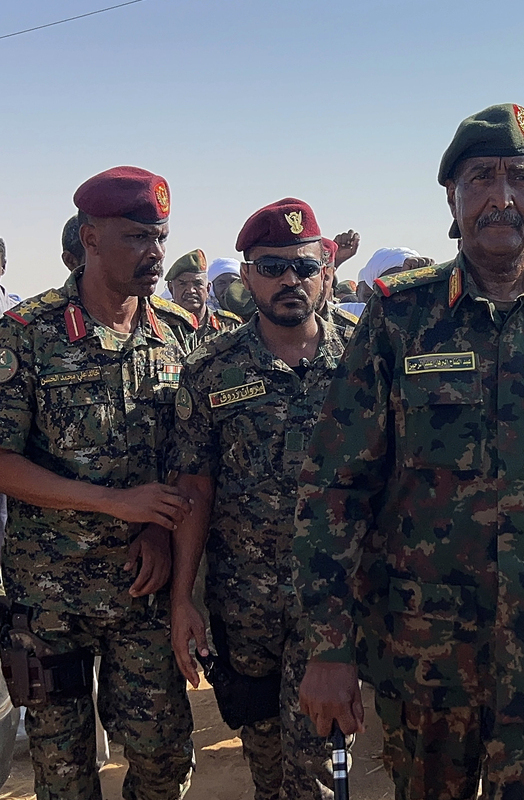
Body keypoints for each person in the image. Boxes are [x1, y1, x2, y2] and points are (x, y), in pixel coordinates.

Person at [293, 103, 524, 799]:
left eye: (520, 179)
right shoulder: (398, 319)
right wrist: (329, 646)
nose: (501, 197)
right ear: (453, 199)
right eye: (481, 178)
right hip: (428, 660)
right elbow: (335, 490)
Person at [0, 166, 197, 798]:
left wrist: (158, 530)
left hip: (144, 591)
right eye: (137, 236)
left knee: (165, 760)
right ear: (89, 238)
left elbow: (192, 459)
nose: (156, 252)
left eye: (159, 235)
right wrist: (113, 502)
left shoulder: (177, 335)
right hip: (50, 598)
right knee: (64, 778)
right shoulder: (28, 336)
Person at [169, 199, 353, 800]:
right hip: (245, 603)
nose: (289, 281)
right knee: (266, 760)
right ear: (247, 276)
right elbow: (195, 490)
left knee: (317, 771)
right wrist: (183, 599)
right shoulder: (213, 370)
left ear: (326, 267)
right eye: (272, 267)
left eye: (303, 266)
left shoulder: (363, 357)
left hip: (332, 602)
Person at [165, 249, 244, 342]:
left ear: (208, 288)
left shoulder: (230, 325)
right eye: (183, 284)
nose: (191, 290)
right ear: (171, 288)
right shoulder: (161, 325)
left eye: (197, 284)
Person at [355, 246, 424, 301]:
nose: (398, 287)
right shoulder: (370, 314)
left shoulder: (426, 307)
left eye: (404, 279)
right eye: (391, 281)